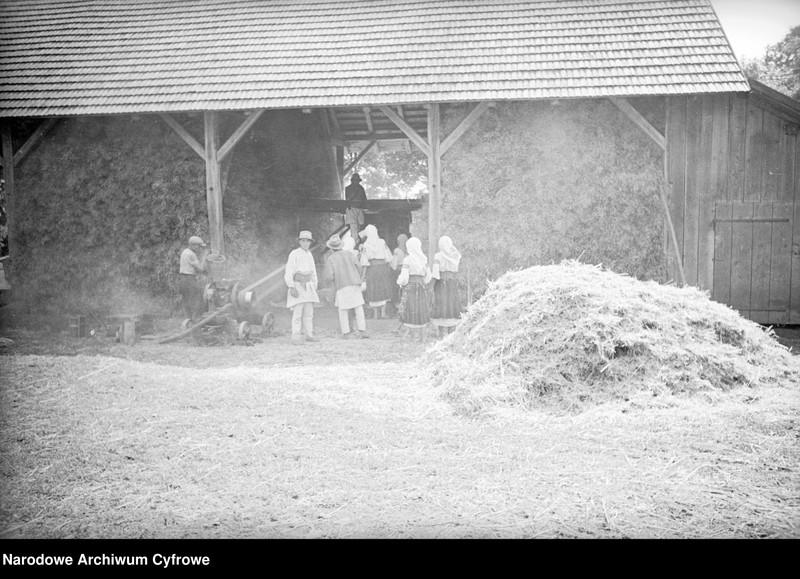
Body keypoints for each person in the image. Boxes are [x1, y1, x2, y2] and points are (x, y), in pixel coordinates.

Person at [323, 234, 369, 339]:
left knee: (343, 310)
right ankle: (363, 331)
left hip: (342, 285)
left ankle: (346, 333)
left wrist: (330, 282)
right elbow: (359, 266)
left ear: (331, 247)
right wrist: (356, 275)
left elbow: (329, 276)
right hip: (354, 283)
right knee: (358, 307)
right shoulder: (349, 254)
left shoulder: (331, 259)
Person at [284, 230, 320, 344]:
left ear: (310, 242)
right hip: (298, 285)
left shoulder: (309, 254)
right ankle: (295, 336)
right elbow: (289, 271)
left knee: (309, 313)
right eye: (303, 241)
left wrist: (314, 285)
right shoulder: (294, 253)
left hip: (308, 286)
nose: (305, 243)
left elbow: (313, 271)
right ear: (299, 242)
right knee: (297, 313)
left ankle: (309, 334)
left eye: (307, 241)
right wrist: (291, 287)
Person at [396, 236, 433, 342]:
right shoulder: (424, 259)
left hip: (410, 287)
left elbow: (404, 276)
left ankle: (412, 337)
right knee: (422, 310)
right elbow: (428, 276)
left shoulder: (407, 259)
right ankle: (423, 338)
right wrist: (424, 282)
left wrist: (400, 283)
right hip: (421, 287)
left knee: (411, 309)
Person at [359, 224, 394, 319]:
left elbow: (364, 261)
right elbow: (388, 257)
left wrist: (363, 275)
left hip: (372, 269)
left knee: (373, 289)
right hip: (382, 268)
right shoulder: (382, 242)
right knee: (383, 289)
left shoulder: (366, 245)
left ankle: (375, 314)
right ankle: (382, 313)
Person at [430, 235, 463, 338]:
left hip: (441, 283)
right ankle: (451, 334)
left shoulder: (438, 256)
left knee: (441, 305)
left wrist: (431, 286)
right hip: (452, 282)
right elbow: (456, 270)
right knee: (451, 304)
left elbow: (435, 273)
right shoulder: (456, 255)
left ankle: (441, 334)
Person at [178, 235, 209, 322]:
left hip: (182, 280)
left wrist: (206, 274)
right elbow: (201, 269)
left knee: (187, 303)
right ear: (192, 245)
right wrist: (205, 256)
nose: (199, 249)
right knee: (197, 302)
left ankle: (188, 323)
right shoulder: (191, 254)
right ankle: (196, 325)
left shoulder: (185, 252)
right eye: (198, 246)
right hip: (190, 280)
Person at [344, 173, 367, 242]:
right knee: (353, 228)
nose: (356, 182)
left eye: (357, 180)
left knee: (360, 227)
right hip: (351, 209)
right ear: (352, 181)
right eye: (355, 180)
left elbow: (364, 199)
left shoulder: (361, 189)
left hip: (359, 209)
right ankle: (354, 244)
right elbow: (348, 199)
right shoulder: (348, 188)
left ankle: (359, 243)